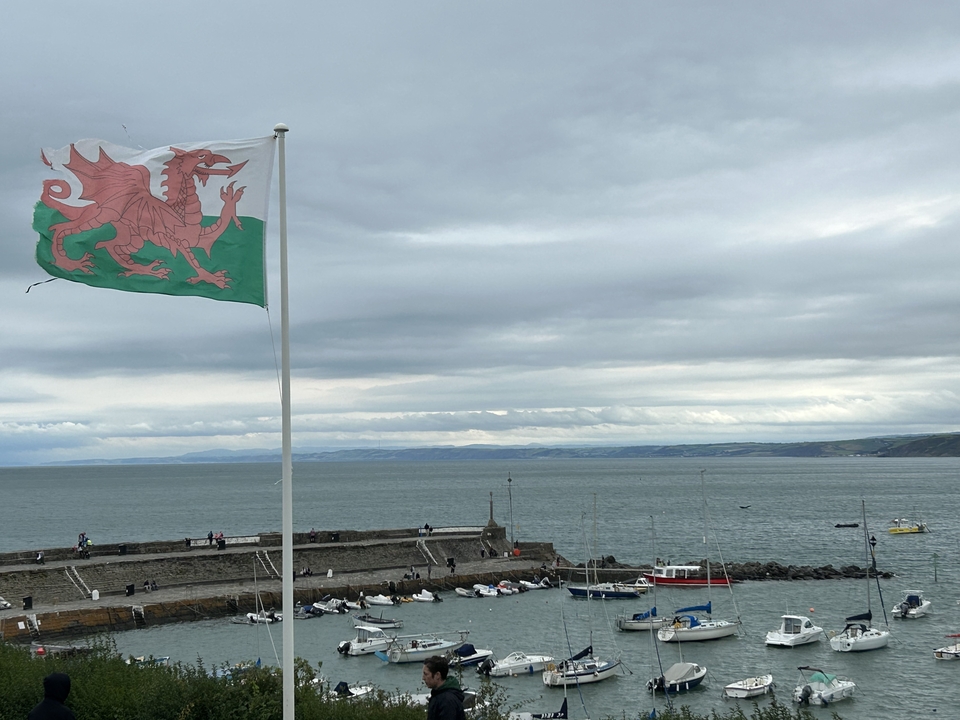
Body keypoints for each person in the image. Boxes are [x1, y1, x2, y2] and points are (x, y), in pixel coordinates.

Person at [422, 655, 464, 720]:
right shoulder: (438, 695)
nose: (423, 678)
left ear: (437, 675)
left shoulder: (447, 701)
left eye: (426, 674)